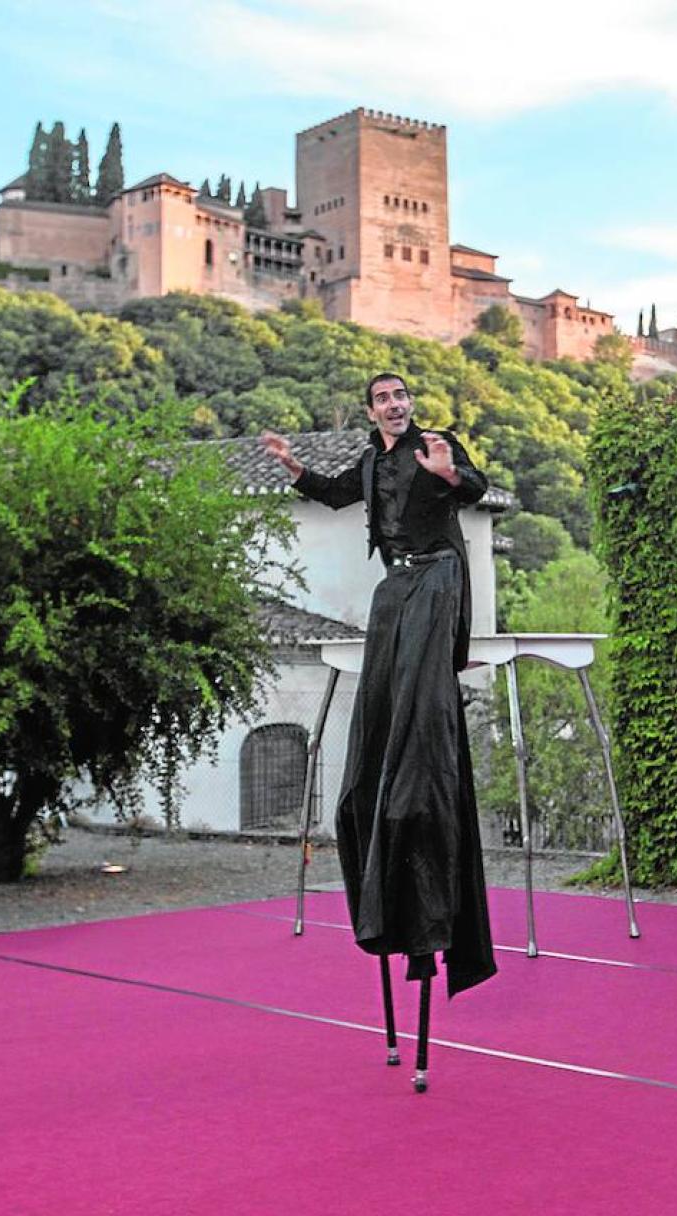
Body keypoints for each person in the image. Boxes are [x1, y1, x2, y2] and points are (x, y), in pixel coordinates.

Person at [259, 374, 497, 1000]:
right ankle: (385, 792)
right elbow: (334, 495)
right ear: (373, 410)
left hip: (441, 577)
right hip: (396, 584)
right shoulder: (368, 462)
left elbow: (475, 489)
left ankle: (418, 779)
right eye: (385, 399)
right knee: (382, 702)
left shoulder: (438, 445)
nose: (396, 405)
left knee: (421, 701)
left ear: (409, 405)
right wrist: (291, 466)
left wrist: (447, 474)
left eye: (402, 397)